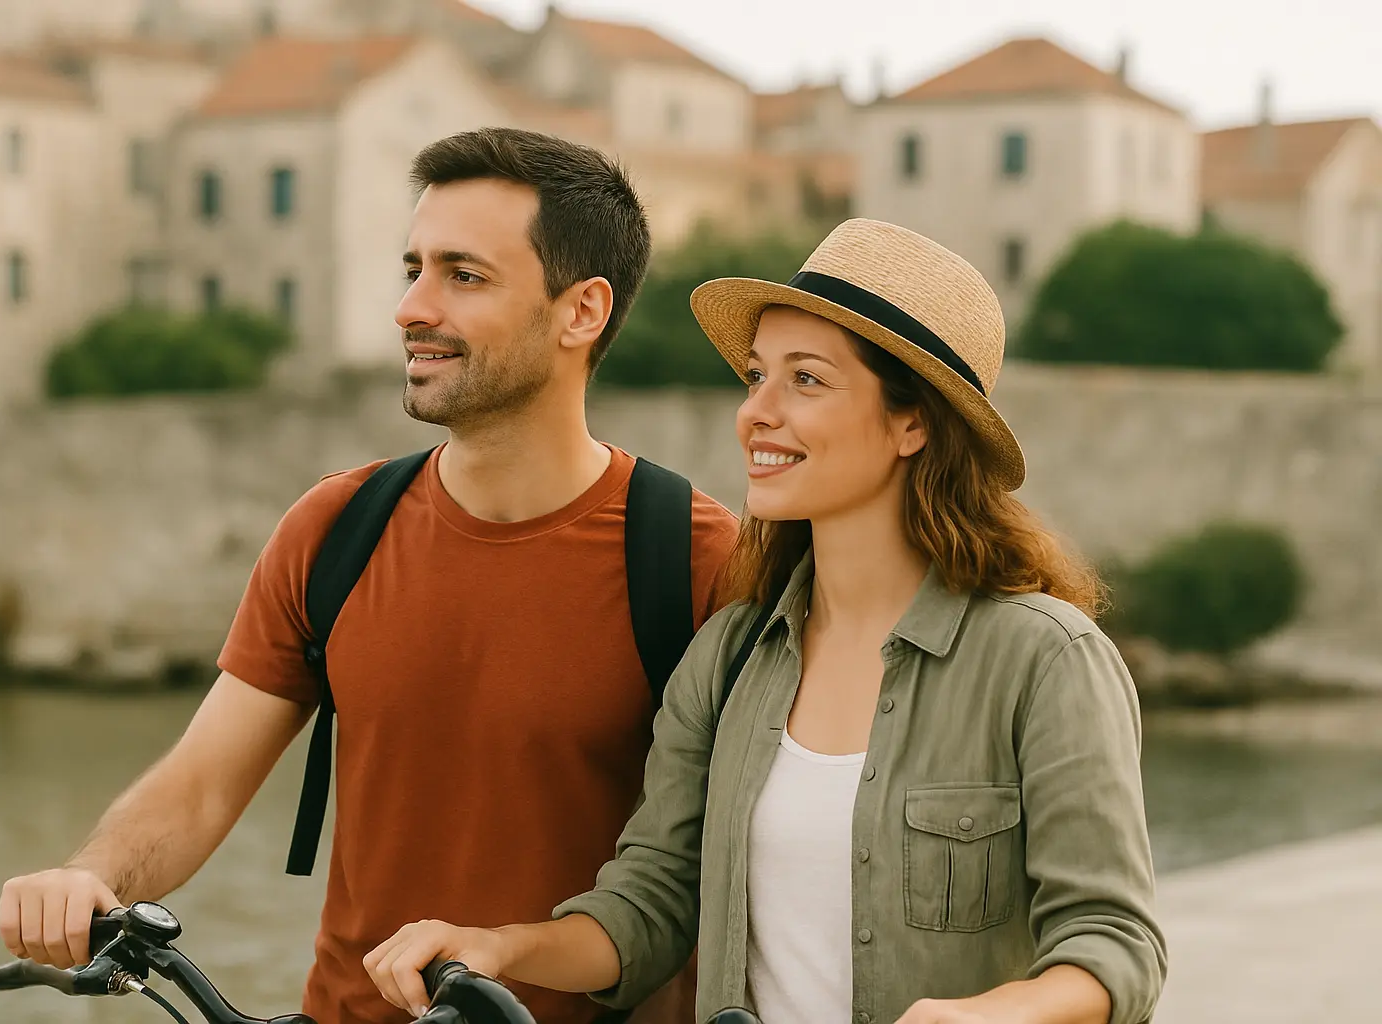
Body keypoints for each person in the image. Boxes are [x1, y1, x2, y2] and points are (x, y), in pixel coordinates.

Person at [0, 127, 738, 1024]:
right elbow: (201, 784)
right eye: (413, 268)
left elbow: (733, 863)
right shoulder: (338, 528)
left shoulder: (697, 559)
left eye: (464, 276)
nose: (411, 308)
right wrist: (90, 874)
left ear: (581, 310)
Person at [364, 219, 1168, 1024]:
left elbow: (1115, 944)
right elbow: (648, 908)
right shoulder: (729, 657)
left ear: (912, 423)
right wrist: (500, 947)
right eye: (756, 377)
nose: (756, 412)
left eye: (806, 381)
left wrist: (987, 1016)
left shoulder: (1046, 660)